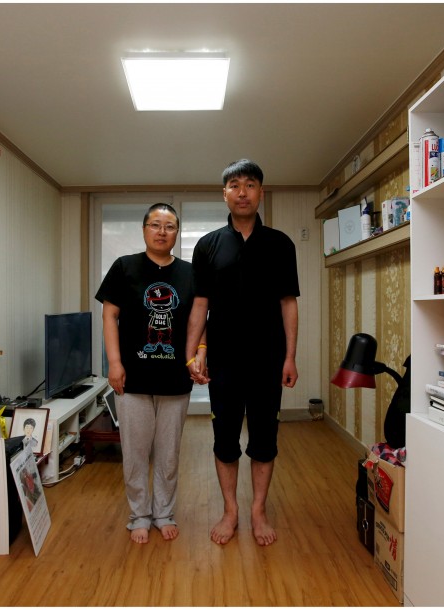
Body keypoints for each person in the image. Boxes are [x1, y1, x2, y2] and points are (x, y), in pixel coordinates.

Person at [185, 159, 300, 546]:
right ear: (225, 194)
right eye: (234, 185)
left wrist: (290, 357)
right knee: (225, 438)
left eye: (250, 184)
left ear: (260, 193)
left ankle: (258, 510)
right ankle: (231, 510)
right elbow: (201, 304)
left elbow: (289, 303)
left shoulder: (280, 244)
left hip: (269, 359)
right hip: (224, 361)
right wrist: (192, 354)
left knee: (265, 438)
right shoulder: (208, 245)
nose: (242, 191)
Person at [95, 203, 204, 544]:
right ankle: (139, 514)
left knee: (169, 453)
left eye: (169, 226)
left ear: (176, 233)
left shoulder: (190, 273)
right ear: (144, 230)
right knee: (136, 452)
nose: (161, 231)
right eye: (155, 225)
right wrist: (114, 363)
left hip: (176, 379)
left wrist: (199, 354)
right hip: (133, 378)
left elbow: (199, 323)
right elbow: (109, 316)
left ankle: (164, 513)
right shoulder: (124, 268)